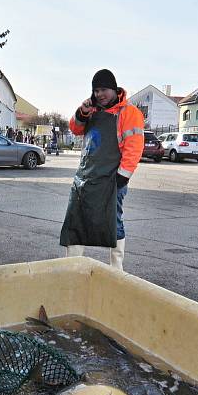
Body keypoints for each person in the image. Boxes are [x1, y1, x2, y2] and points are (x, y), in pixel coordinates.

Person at [59, 69, 144, 271]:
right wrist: (82, 112)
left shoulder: (129, 113)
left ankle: (116, 269)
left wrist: (122, 177)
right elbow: (75, 128)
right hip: (85, 179)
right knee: (76, 221)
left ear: (114, 89)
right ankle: (71, 266)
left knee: (113, 221)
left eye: (103, 89)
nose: (99, 94)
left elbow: (134, 147)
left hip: (111, 179)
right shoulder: (92, 110)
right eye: (96, 90)